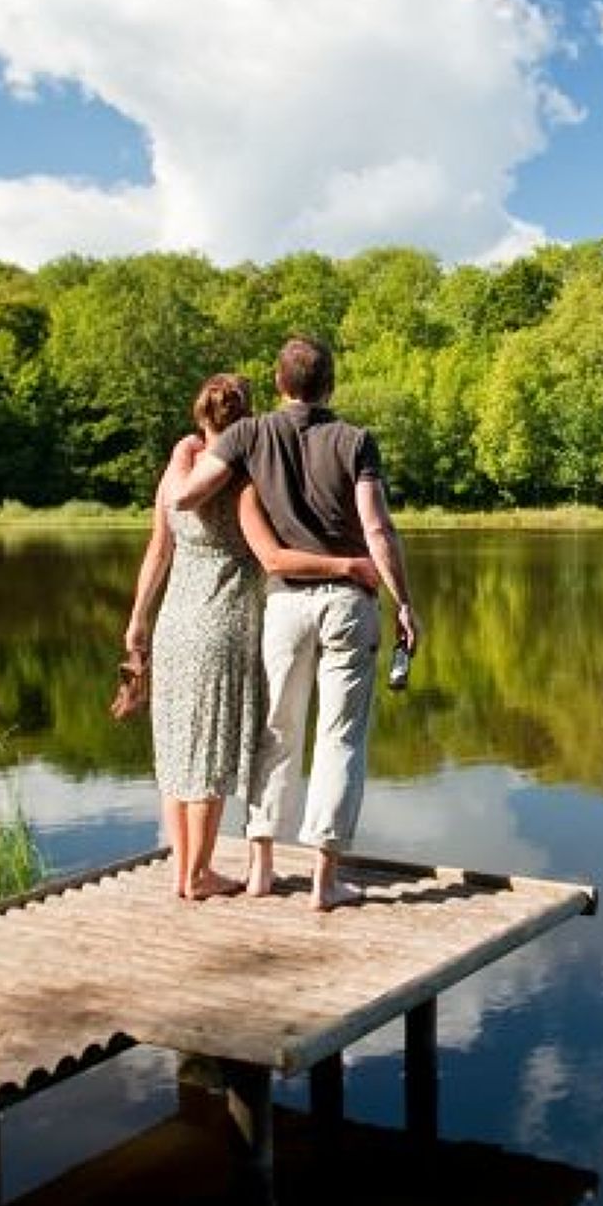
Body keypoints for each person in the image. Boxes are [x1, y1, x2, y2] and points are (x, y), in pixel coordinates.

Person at [167, 335, 418, 911]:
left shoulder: (250, 434)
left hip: (283, 605)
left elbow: (185, 498)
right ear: (329, 385)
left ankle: (260, 869)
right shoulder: (356, 441)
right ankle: (324, 881)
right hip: (348, 604)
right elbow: (377, 529)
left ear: (279, 385)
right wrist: (404, 602)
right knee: (339, 739)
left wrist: (186, 454)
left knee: (275, 732)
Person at [122, 374, 377, 901]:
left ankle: (181, 874)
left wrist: (138, 619)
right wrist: (349, 564)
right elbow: (272, 558)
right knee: (211, 755)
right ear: (247, 422)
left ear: (199, 418)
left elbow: (157, 551)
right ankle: (200, 874)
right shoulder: (242, 486)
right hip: (224, 624)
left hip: (173, 623)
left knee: (176, 753)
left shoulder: (177, 476)